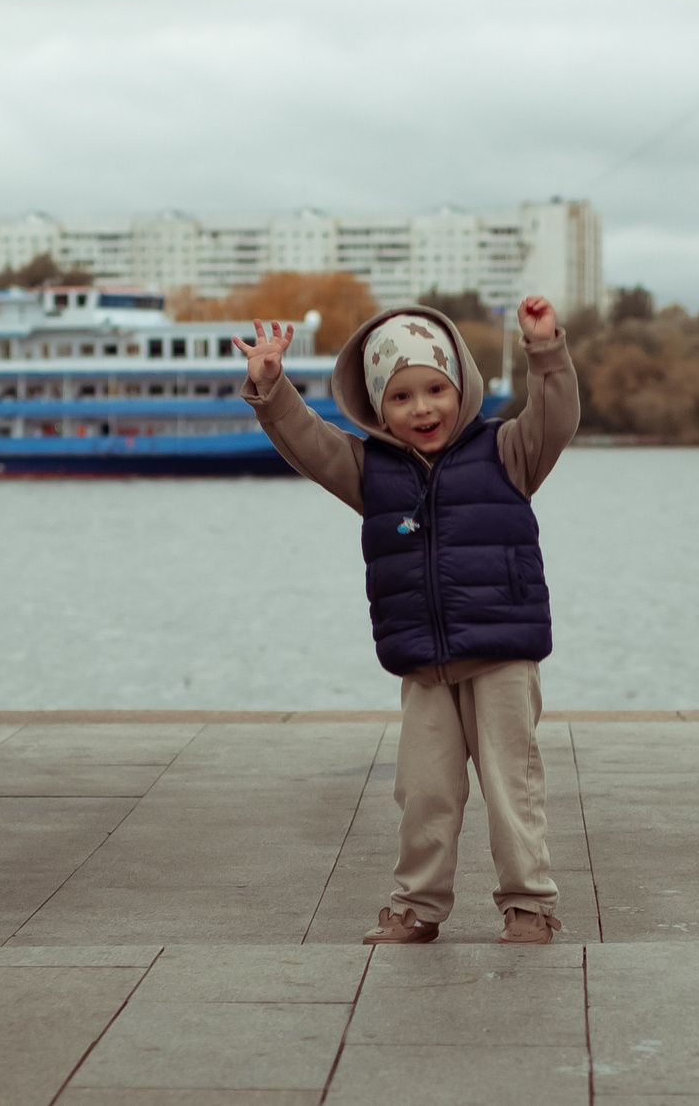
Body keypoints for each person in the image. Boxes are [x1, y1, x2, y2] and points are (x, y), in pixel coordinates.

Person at [236, 298, 579, 943]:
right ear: (376, 407)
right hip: (423, 660)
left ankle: (529, 903)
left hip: (502, 653)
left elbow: (557, 417)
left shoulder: (507, 450)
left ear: (460, 387)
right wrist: (271, 387)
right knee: (424, 793)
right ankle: (419, 906)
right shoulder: (370, 470)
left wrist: (545, 350)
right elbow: (308, 443)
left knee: (514, 787)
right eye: (401, 397)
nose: (422, 409)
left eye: (435, 390)